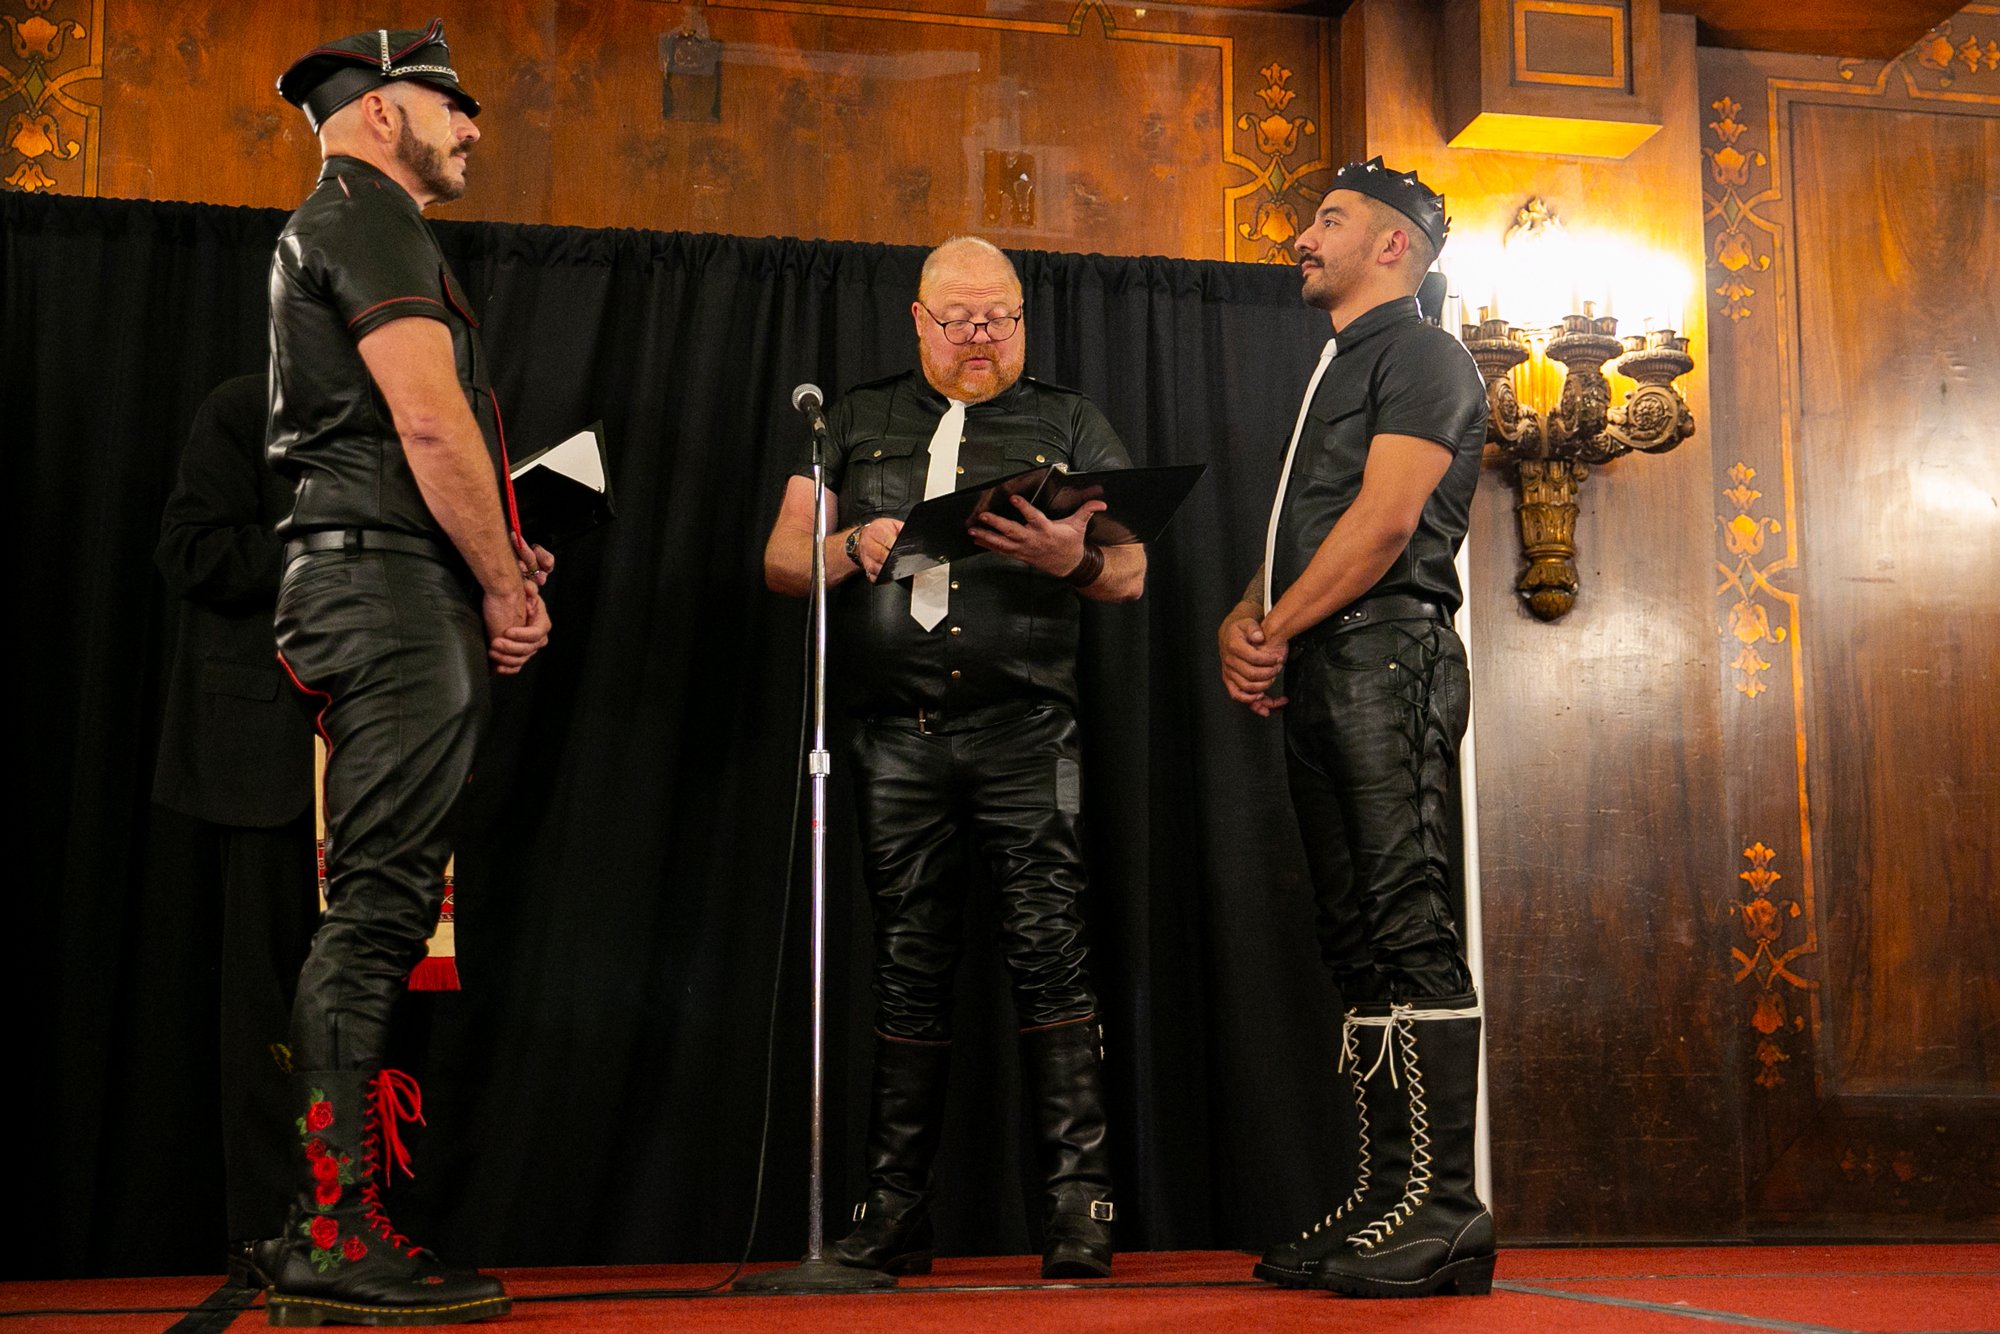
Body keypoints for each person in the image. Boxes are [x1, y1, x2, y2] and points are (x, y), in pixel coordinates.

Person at [762, 236, 1144, 1280]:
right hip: (895, 738)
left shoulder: (1066, 419)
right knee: (906, 965)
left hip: (1029, 732)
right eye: (960, 318)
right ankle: (893, 1209)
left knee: (1050, 950)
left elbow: (1132, 572)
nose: (981, 336)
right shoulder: (853, 418)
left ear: (1022, 319)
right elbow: (781, 560)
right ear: (919, 320)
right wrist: (849, 548)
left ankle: (1079, 1203)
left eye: (1000, 317)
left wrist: (1078, 557)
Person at [261, 18, 552, 1325]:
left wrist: (495, 541)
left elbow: (408, 437)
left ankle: (323, 1222)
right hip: (384, 592)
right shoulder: (371, 215)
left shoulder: (342, 219)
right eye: (454, 106)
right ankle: (329, 1232)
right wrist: (503, 581)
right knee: (377, 910)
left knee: (372, 904)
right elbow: (427, 420)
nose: (473, 129)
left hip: (367, 576)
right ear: (384, 111)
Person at [1216, 158, 1495, 1299]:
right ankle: (1391, 1192)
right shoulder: (1346, 358)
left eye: (1325, 219)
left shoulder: (1423, 352)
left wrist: (1272, 623)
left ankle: (1443, 1207)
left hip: (1389, 652)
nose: (1301, 237)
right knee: (1355, 933)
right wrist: (1249, 615)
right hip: (1333, 655)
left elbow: (1382, 526)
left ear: (1394, 246)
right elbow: (1312, 525)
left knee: (1405, 914)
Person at [152, 373, 321, 1281]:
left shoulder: (416, 418)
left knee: (375, 993)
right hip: (266, 754)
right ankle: (269, 1223)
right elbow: (191, 555)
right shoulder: (237, 410)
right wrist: (324, 549)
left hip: (378, 752)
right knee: (265, 998)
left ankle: (358, 1213)